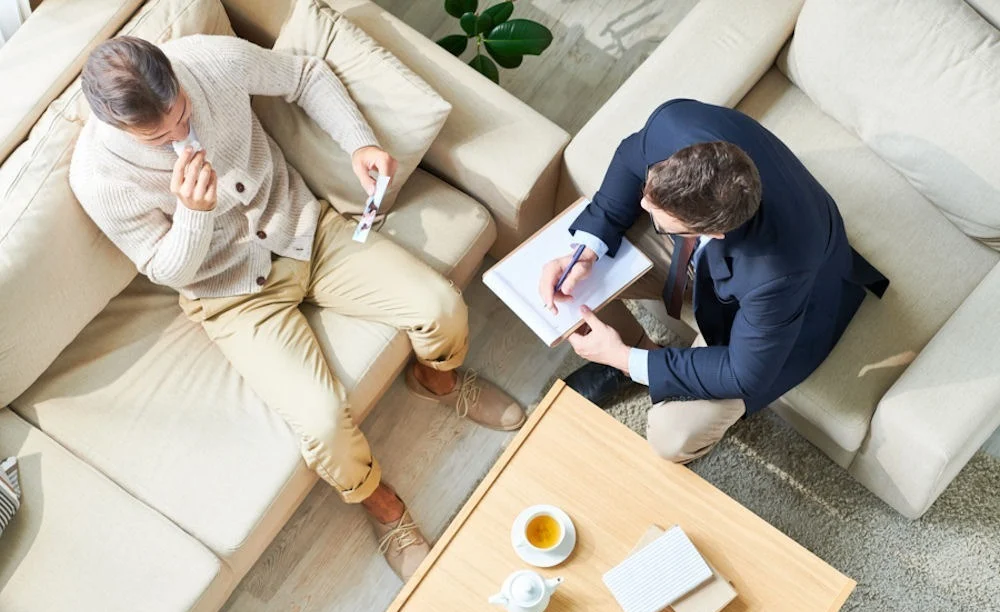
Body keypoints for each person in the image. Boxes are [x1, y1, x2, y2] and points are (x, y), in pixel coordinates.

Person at [70, 35, 527, 581]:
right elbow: (167, 271)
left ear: (174, 75)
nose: (182, 138)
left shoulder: (208, 61)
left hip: (307, 230)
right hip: (232, 297)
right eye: (158, 137)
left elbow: (305, 75)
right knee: (323, 424)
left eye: (183, 115)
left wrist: (359, 143)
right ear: (118, 128)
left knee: (442, 308)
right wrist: (193, 215)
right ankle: (384, 507)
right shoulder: (99, 178)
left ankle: (436, 381)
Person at [539, 99, 887, 463]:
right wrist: (586, 249)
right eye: (649, 189)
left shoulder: (780, 271)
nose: (643, 205)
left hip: (772, 311)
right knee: (569, 274)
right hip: (711, 254)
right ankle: (641, 350)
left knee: (672, 436)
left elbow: (744, 372)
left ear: (714, 233)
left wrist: (627, 359)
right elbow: (631, 157)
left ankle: (636, 361)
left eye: (659, 218)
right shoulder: (675, 124)